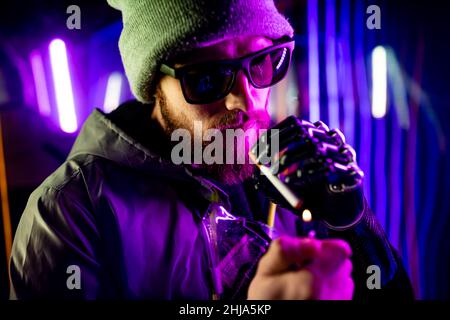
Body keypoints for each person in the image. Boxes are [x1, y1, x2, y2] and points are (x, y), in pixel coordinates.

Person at [9, 0, 413, 300]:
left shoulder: (283, 173)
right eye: (207, 77)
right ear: (155, 86)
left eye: (263, 62)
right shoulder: (69, 211)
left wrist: (355, 225)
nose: (246, 101)